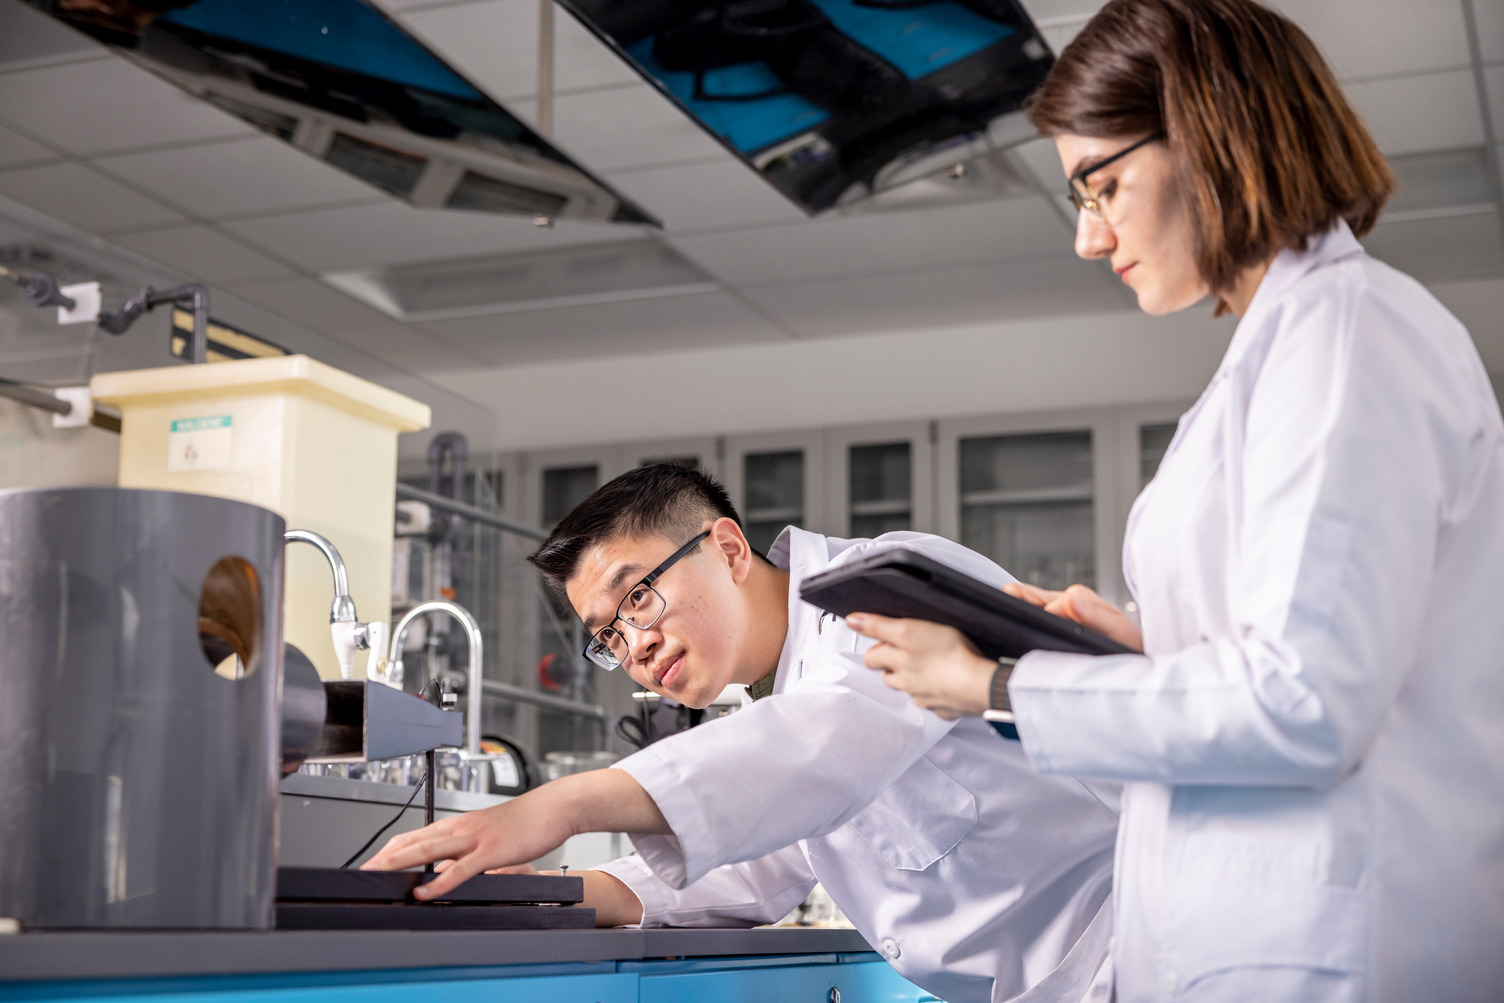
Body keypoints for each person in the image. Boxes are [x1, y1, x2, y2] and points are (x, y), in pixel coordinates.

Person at [847, 2, 1504, 1001]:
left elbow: (1302, 706)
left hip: (1331, 948)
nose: (1087, 236)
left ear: (1212, 136)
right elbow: (1310, 653)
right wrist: (1140, 649)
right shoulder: (1282, 349)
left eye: (1102, 185)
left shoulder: (1345, 334)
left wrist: (996, 687)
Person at [366, 464, 1121, 1003]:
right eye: (608, 635)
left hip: (1135, 955)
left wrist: (558, 805)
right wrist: (557, 895)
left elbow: (820, 747)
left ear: (727, 549)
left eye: (639, 597)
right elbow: (758, 866)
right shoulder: (773, 694)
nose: (635, 644)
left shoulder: (884, 588)